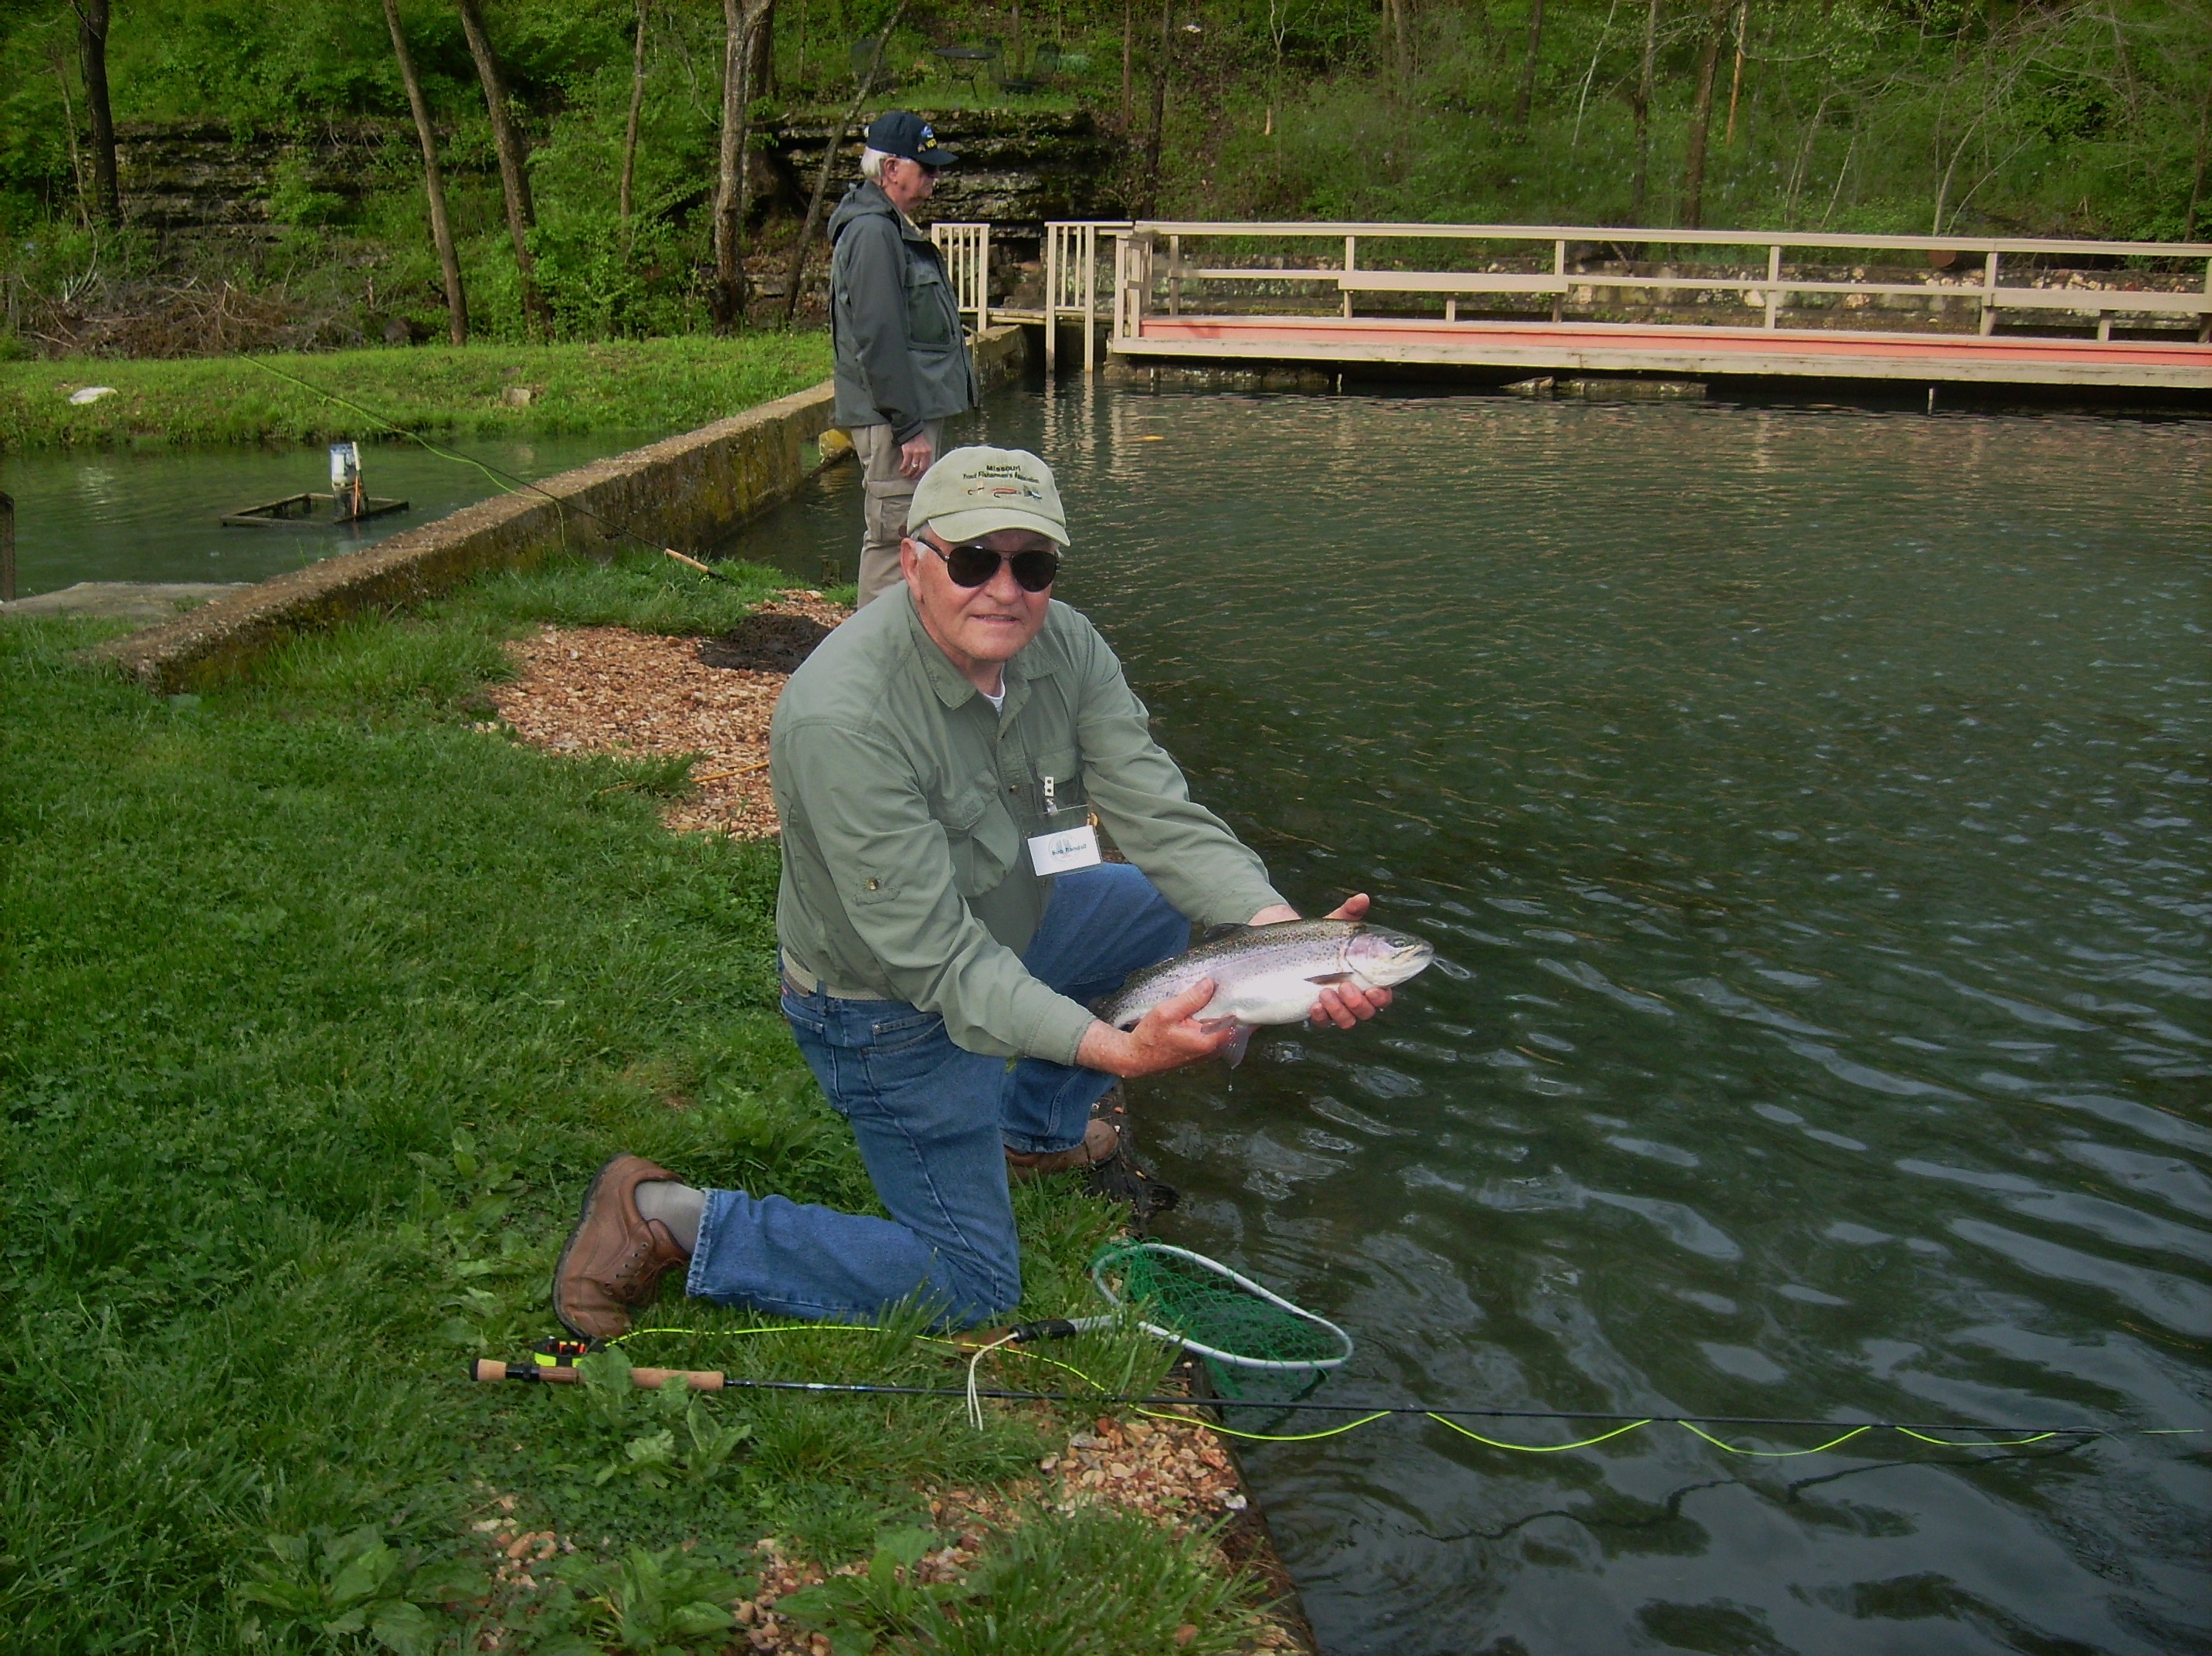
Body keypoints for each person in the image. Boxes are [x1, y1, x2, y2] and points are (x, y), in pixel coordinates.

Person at [551, 446, 1394, 1341]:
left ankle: (1031, 1134)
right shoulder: (844, 717)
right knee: (970, 1285)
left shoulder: (1065, 644)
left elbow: (1156, 808)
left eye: (1031, 565)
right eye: (971, 560)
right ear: (913, 560)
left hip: (1013, 921)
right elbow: (938, 959)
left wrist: (1278, 933)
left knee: (1149, 901)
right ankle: (666, 1215)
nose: (1004, 589)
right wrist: (1113, 1050)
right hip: (887, 1007)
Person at [827, 110, 978, 609]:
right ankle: (872, 665)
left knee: (907, 532)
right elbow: (879, 336)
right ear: (891, 169)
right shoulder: (873, 233)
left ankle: (894, 653)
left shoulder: (886, 227)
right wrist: (908, 425)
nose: (935, 176)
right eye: (926, 167)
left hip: (900, 415)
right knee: (894, 540)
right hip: (895, 419)